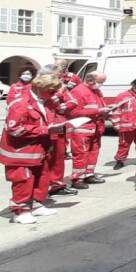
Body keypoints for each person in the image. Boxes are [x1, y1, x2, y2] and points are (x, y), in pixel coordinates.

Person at [0, 73, 64, 224]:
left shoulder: (44, 101)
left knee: (41, 177)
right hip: (21, 152)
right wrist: (46, 130)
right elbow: (14, 128)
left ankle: (36, 205)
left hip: (39, 150)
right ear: (39, 88)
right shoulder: (20, 103)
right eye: (51, 91)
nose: (53, 95)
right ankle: (20, 211)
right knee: (23, 181)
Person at [68, 72, 110, 189]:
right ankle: (77, 178)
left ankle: (89, 174)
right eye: (100, 82)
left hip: (96, 127)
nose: (101, 85)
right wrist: (98, 111)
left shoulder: (96, 91)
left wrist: (106, 111)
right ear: (91, 80)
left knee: (93, 152)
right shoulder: (77, 91)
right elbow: (73, 112)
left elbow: (99, 106)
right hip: (82, 129)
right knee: (81, 154)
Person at [43, 64, 78, 197]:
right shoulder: (42, 86)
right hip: (47, 126)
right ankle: (44, 186)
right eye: (58, 73)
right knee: (48, 158)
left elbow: (73, 102)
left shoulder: (60, 85)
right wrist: (59, 95)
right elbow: (46, 102)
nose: (61, 76)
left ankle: (56, 184)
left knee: (59, 157)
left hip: (60, 124)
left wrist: (61, 106)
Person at [111, 78, 136, 170]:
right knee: (124, 144)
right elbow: (116, 110)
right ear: (134, 86)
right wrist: (116, 124)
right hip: (127, 125)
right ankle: (120, 161)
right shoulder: (123, 96)